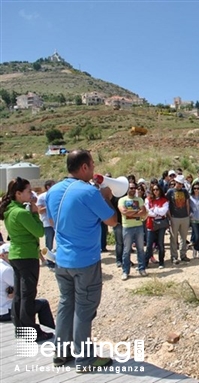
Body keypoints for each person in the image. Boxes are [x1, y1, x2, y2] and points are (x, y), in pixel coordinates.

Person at [46, 149, 117, 370]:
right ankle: (85, 358)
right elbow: (112, 221)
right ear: (84, 167)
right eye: (93, 165)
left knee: (66, 304)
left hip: (62, 259)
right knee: (84, 308)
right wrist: (106, 198)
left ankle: (61, 351)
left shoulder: (53, 190)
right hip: (85, 260)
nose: (94, 169)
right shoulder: (89, 192)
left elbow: (50, 219)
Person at [0, 177, 52, 341]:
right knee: (28, 294)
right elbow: (39, 231)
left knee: (19, 295)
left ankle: (20, 328)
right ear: (18, 193)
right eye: (28, 191)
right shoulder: (21, 213)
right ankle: (31, 331)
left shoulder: (10, 210)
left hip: (16, 254)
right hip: (27, 255)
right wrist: (35, 213)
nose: (32, 194)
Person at [0, 242, 55, 329]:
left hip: (3, 308)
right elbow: (21, 289)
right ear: (2, 255)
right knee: (43, 304)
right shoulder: (7, 269)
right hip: (6, 311)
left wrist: (11, 291)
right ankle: (50, 329)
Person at [119, 182, 148, 280]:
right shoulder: (122, 200)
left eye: (134, 188)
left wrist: (130, 214)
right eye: (131, 188)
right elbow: (123, 211)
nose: (132, 189)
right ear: (127, 189)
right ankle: (125, 271)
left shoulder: (139, 199)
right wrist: (137, 213)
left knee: (140, 249)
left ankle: (141, 268)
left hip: (139, 226)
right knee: (126, 250)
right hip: (127, 227)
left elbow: (143, 211)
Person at [166, 175, 190, 264]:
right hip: (174, 217)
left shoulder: (185, 191)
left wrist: (187, 214)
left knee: (183, 238)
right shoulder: (170, 192)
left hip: (184, 216)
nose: (179, 185)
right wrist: (169, 216)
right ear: (175, 182)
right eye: (178, 183)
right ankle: (174, 256)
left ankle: (183, 255)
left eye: (181, 184)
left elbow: (187, 203)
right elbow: (167, 204)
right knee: (173, 238)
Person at [145, 184, 169, 269]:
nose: (155, 191)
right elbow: (147, 212)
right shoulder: (148, 200)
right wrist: (157, 211)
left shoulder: (164, 200)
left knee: (160, 244)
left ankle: (161, 261)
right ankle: (145, 262)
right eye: (154, 189)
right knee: (149, 245)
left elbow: (163, 212)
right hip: (151, 224)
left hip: (161, 224)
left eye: (157, 189)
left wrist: (154, 210)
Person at [36, 179, 56, 270]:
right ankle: (49, 262)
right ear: (48, 186)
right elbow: (39, 210)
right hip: (47, 223)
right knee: (49, 243)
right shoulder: (41, 197)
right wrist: (50, 205)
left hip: (57, 223)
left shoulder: (57, 195)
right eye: (53, 185)